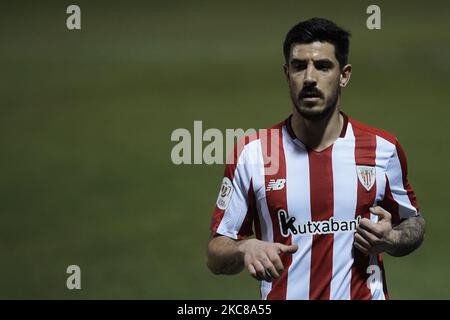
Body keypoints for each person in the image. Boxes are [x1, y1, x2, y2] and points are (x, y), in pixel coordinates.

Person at [206, 17, 425, 300]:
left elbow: (414, 222)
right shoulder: (254, 154)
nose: (309, 78)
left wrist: (393, 239)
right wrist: (243, 249)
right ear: (287, 74)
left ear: (344, 75)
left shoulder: (382, 149)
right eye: (299, 66)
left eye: (322, 66)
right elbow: (215, 254)